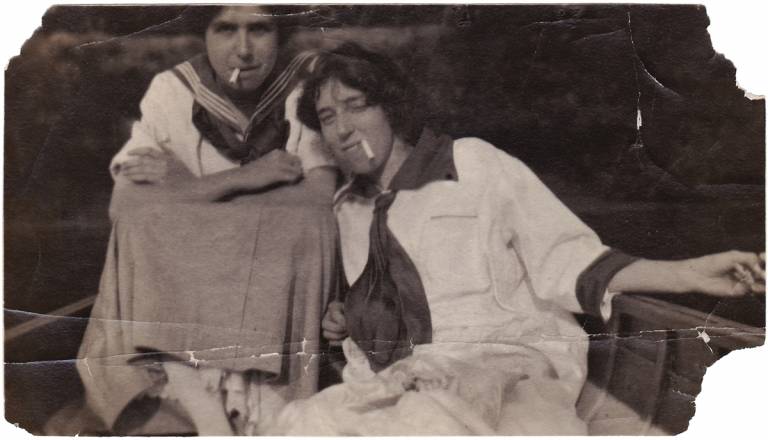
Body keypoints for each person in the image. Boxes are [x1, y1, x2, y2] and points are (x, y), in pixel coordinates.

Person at [263, 43, 765, 435]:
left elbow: (568, 261)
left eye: (356, 106)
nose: (343, 129)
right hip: (403, 377)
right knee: (301, 424)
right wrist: (348, 316)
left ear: (391, 108)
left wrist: (690, 273)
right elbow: (393, 299)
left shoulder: (472, 163)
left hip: (507, 365)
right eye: (328, 118)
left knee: (427, 421)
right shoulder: (349, 210)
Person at [73, 6, 337, 436]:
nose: (243, 50)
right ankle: (202, 409)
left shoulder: (301, 88)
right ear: (204, 33)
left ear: (282, 34)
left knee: (308, 225)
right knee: (140, 227)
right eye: (226, 29)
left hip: (268, 279)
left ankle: (264, 405)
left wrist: (185, 193)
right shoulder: (172, 89)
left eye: (259, 30)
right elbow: (125, 208)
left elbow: (320, 198)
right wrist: (245, 178)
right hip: (187, 281)